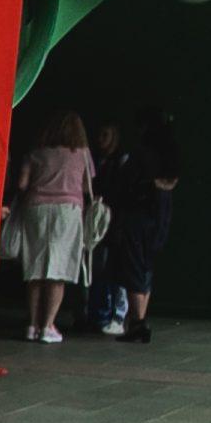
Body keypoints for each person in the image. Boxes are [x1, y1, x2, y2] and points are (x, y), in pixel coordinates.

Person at [12, 110, 94, 344]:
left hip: (35, 209)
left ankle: (32, 325)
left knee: (35, 269)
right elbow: (87, 187)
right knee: (58, 269)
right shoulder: (82, 154)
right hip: (67, 211)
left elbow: (22, 184)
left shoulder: (36, 152)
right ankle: (48, 326)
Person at [111, 107, 182, 344]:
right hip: (160, 216)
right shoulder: (169, 157)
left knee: (134, 267)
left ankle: (137, 322)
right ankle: (139, 319)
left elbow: (126, 184)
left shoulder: (142, 154)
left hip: (138, 218)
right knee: (147, 267)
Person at [85, 119, 131, 335]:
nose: (100, 139)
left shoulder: (122, 162)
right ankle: (99, 313)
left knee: (117, 271)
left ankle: (118, 315)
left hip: (115, 223)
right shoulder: (96, 161)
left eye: (105, 135)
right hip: (98, 223)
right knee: (98, 270)